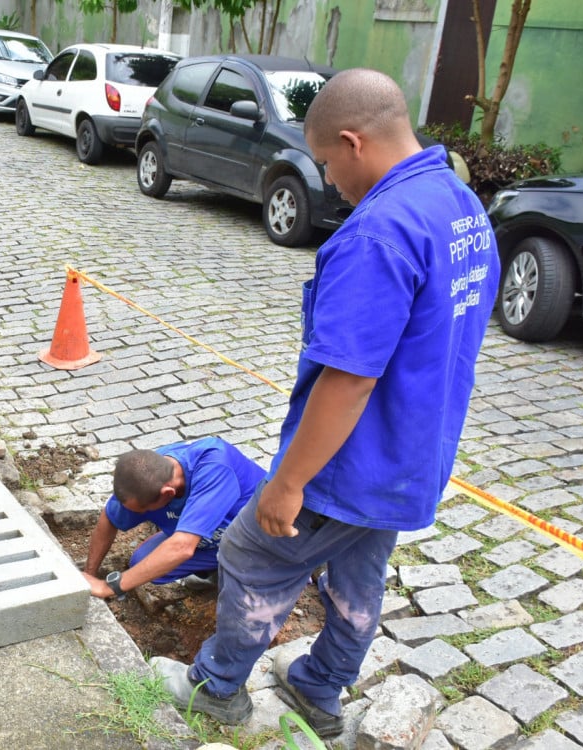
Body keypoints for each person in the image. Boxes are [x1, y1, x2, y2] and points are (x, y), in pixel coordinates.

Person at [150, 68, 500, 736]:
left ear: (352, 142)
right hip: (412, 453)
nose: (329, 180)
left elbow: (350, 379)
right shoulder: (457, 204)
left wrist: (287, 484)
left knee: (251, 554)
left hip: (350, 462)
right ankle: (318, 687)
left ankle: (216, 689)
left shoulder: (378, 232)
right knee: (359, 575)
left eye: (326, 163)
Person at [81, 437, 265, 599]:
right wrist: (89, 576)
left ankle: (252, 579)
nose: (136, 513)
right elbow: (110, 518)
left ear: (168, 493)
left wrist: (108, 588)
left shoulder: (215, 468)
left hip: (256, 542)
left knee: (242, 591)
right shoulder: (143, 476)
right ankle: (213, 568)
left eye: (143, 510)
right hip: (211, 540)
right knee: (144, 563)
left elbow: (182, 547)